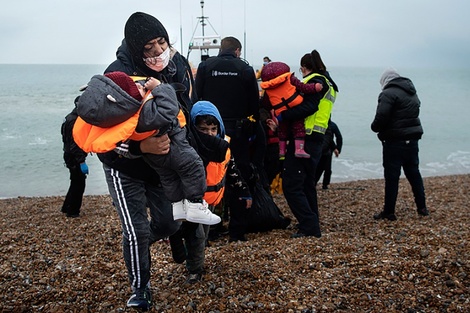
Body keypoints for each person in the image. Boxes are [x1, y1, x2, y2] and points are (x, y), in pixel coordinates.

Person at [86, 12, 206, 310]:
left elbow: (184, 114)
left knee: (167, 224)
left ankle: (137, 244)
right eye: (148, 47)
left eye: (161, 42)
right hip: (123, 163)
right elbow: (101, 131)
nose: (157, 51)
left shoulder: (177, 65)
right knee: (136, 228)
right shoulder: (117, 74)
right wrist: (142, 147)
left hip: (161, 165)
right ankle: (140, 288)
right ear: (136, 49)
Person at [74, 70, 220, 226]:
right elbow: (169, 109)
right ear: (127, 100)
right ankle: (196, 204)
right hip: (174, 146)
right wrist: (160, 87)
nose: (139, 84)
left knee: (169, 177)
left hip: (154, 157)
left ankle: (178, 207)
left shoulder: (120, 118)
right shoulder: (146, 113)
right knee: (193, 166)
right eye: (135, 87)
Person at [195, 36, 261, 239]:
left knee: (207, 175)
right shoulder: (245, 69)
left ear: (220, 49)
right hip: (237, 130)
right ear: (237, 51)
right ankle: (237, 230)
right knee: (237, 174)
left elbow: (196, 98)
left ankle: (210, 229)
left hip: (208, 130)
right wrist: (253, 128)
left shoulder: (205, 67)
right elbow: (254, 104)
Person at [278, 50, 338, 238]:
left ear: (304, 68)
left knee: (291, 185)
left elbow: (309, 107)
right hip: (318, 138)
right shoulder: (329, 83)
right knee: (306, 184)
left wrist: (283, 116)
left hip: (304, 137)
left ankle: (309, 226)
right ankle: (312, 220)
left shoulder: (314, 82)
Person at [190, 101, 253, 243]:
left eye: (213, 129)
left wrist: (244, 191)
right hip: (192, 202)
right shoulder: (190, 147)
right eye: (203, 129)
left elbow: (232, 171)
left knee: (203, 235)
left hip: (212, 200)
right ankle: (193, 262)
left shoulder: (223, 146)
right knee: (196, 237)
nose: (210, 134)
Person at [371, 68, 429, 221]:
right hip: (412, 140)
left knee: (392, 177)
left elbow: (382, 116)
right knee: (414, 173)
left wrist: (375, 127)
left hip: (394, 141)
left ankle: (389, 211)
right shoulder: (412, 92)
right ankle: (422, 207)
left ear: (385, 81)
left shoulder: (387, 94)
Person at [260, 61, 323, 158]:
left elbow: (266, 105)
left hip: (281, 112)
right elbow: (303, 87)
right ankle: (299, 149)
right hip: (295, 106)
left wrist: (268, 117)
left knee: (282, 131)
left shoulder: (268, 89)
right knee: (299, 129)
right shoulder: (289, 78)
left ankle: (281, 150)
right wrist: (315, 87)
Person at [60, 100, 88, 218]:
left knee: (75, 181)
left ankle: (67, 206)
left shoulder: (68, 118)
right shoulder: (74, 121)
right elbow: (74, 143)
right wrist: (81, 161)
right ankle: (73, 211)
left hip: (69, 154)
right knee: (79, 183)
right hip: (73, 156)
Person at [315, 119, 343, 189]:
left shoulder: (332, 125)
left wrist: (338, 149)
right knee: (319, 168)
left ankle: (324, 185)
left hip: (326, 150)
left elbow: (338, 137)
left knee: (326, 169)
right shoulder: (326, 125)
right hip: (320, 149)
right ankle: (315, 183)